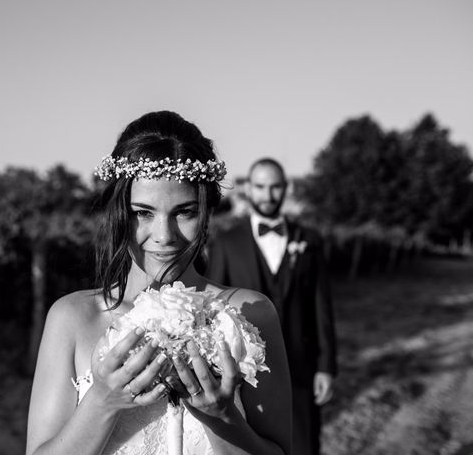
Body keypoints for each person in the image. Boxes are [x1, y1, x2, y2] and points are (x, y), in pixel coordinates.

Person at [26, 112, 293, 455]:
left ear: (207, 211)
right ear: (119, 212)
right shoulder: (72, 319)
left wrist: (220, 417)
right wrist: (102, 403)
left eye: (185, 212)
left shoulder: (250, 313)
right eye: (143, 212)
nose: (164, 236)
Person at [206, 158, 337, 455]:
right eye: (261, 187)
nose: (268, 195)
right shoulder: (226, 242)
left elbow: (322, 308)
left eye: (275, 187)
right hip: (244, 371)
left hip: (301, 368)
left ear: (285, 189)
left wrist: (326, 366)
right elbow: (213, 309)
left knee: (304, 447)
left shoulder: (310, 241)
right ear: (249, 189)